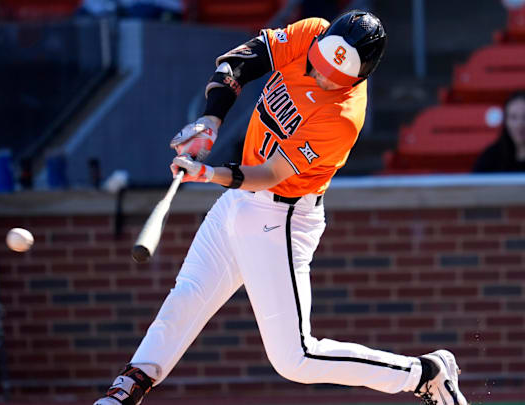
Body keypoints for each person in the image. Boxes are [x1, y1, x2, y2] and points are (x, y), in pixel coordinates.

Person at [94, 11, 468, 405]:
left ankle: (424, 374)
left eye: (333, 76)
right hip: (238, 202)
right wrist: (211, 120)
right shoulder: (311, 33)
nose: (321, 76)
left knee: (295, 358)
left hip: (282, 219)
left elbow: (270, 173)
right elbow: (240, 62)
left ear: (358, 77)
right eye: (320, 64)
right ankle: (130, 385)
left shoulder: (343, 116)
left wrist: (206, 172)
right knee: (187, 294)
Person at [473, 91, 525, 172]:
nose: (520, 124)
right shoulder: (492, 156)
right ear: (506, 121)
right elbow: (474, 182)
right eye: (513, 117)